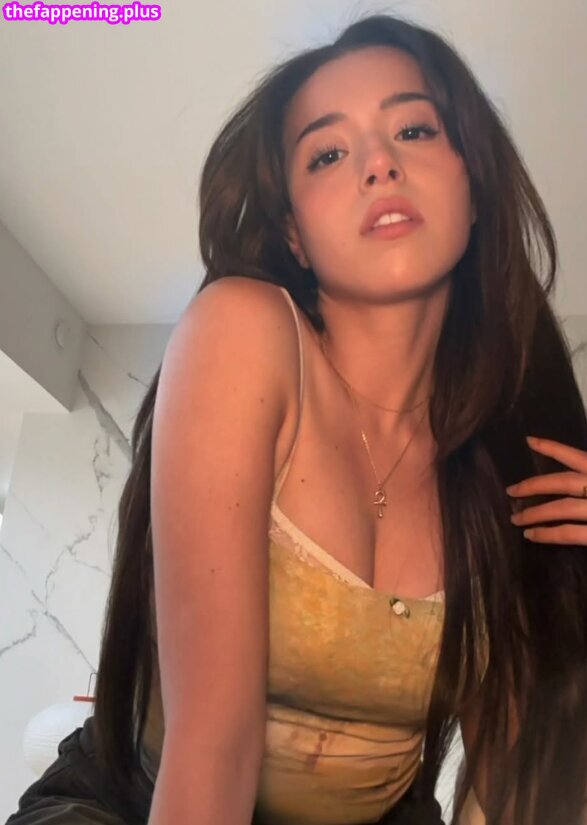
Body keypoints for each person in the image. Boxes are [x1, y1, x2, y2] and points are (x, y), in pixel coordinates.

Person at [6, 12, 587, 825]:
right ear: (295, 234)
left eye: (413, 129)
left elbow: (525, 784)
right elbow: (212, 746)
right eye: (327, 153)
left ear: (474, 186)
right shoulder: (245, 330)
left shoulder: (513, 453)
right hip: (138, 800)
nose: (379, 164)